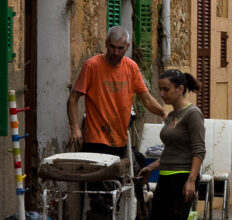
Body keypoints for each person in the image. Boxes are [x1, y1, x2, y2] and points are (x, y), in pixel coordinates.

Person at [138, 70, 205, 220]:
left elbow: (198, 150)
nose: (162, 94)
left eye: (166, 89)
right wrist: (151, 166)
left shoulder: (192, 114)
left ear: (180, 89)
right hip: (166, 177)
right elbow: (169, 151)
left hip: (182, 179)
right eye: (161, 89)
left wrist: (191, 181)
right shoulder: (173, 116)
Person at [68, 26, 166, 156]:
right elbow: (73, 99)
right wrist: (75, 128)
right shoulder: (92, 65)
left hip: (120, 140)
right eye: (112, 47)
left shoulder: (131, 67)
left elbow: (146, 98)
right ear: (106, 44)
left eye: (120, 48)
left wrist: (163, 112)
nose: (116, 52)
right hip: (96, 139)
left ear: (127, 46)